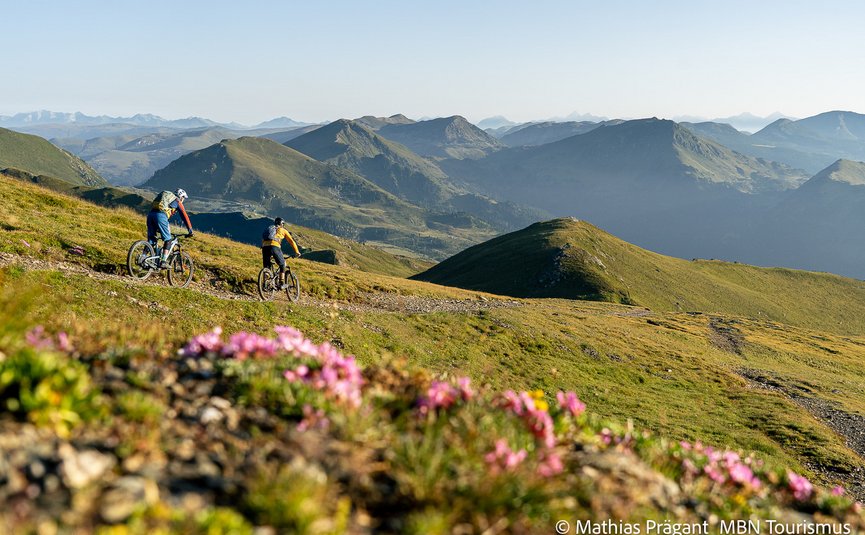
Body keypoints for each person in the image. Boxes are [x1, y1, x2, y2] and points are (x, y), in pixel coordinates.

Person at [147, 188, 193, 268]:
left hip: (151, 215)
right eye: (183, 198)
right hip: (160, 216)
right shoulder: (177, 201)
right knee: (168, 239)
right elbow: (184, 216)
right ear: (181, 197)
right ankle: (163, 261)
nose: (183, 200)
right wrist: (190, 230)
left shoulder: (168, 199)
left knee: (151, 240)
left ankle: (143, 257)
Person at [261, 217, 300, 289]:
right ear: (282, 224)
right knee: (282, 264)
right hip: (275, 246)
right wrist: (297, 252)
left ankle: (265, 283)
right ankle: (281, 283)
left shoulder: (270, 229)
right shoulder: (283, 230)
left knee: (266, 266)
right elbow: (291, 241)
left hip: (265, 247)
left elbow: (264, 238)